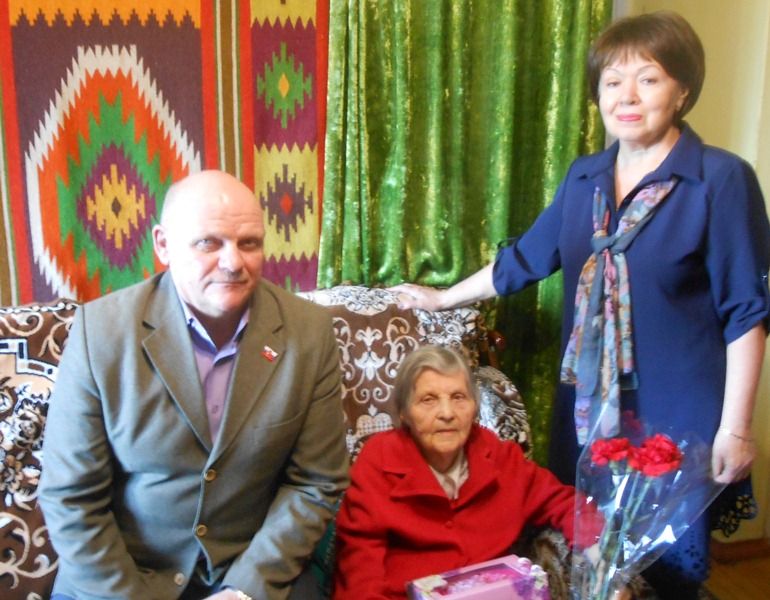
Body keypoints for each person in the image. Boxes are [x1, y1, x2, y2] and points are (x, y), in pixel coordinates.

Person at [392, 11, 769, 599]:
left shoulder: (719, 179)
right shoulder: (585, 177)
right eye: (612, 81)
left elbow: (747, 310)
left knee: (669, 571)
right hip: (589, 411)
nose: (627, 96)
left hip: (679, 415)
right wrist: (442, 297)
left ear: (683, 90)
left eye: (648, 78)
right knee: (591, 556)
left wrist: (736, 428)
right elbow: (526, 258)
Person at [38, 170, 349, 600]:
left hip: (252, 570)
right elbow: (70, 497)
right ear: (163, 245)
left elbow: (316, 482)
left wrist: (245, 588)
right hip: (123, 578)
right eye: (208, 243)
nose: (233, 262)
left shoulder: (308, 332)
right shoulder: (101, 333)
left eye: (249, 243)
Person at [333, 345, 598, 600]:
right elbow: (359, 573)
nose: (447, 413)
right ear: (404, 413)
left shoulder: (500, 458)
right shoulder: (378, 463)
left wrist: (596, 549)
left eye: (458, 397)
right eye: (428, 400)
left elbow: (565, 503)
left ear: (474, 406)